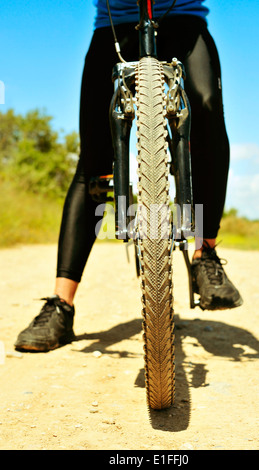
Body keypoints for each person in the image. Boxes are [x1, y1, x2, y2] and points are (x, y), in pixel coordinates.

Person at [15, 0, 242, 352]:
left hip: (183, 20)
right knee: (94, 159)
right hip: (115, 22)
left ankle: (204, 254)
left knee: (207, 111)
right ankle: (61, 305)